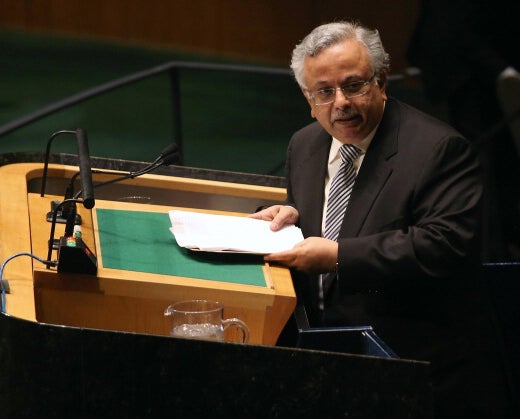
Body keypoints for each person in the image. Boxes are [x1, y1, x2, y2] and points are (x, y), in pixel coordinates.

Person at [249, 21, 514, 418]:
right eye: (324, 91)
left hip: (408, 366)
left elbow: (442, 244)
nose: (340, 102)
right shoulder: (304, 144)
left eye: (353, 85)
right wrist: (292, 217)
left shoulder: (440, 149)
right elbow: (351, 215)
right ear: (308, 98)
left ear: (381, 80)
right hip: (320, 353)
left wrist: (339, 255)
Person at [406, 0, 520, 261]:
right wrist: (501, 71)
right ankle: (486, 254)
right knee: (477, 164)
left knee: (497, 165)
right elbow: (450, 18)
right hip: (462, 71)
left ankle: (497, 248)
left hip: (486, 64)